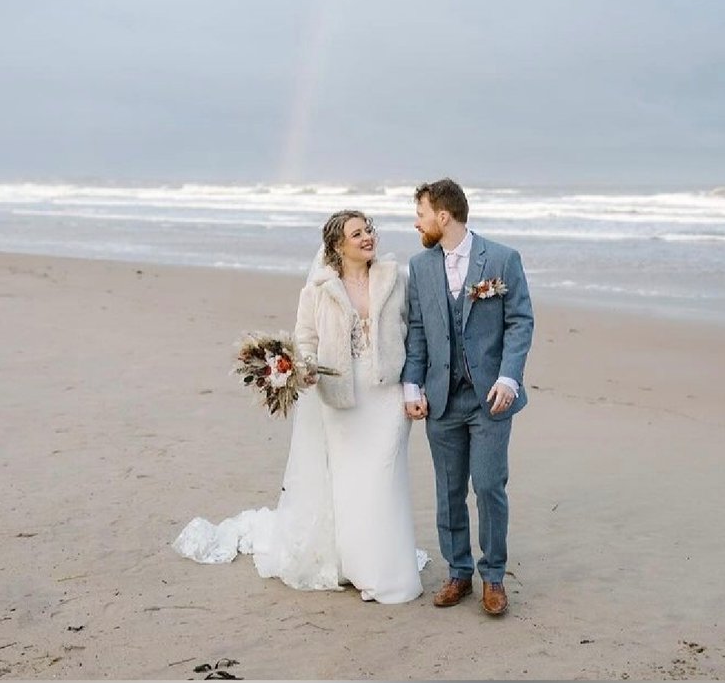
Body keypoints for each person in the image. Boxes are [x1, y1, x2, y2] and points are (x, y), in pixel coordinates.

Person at [174, 210, 425, 605]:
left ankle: (390, 575)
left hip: (387, 397)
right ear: (337, 246)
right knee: (351, 487)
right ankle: (357, 568)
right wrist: (303, 370)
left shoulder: (397, 278)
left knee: (384, 480)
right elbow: (305, 340)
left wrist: (413, 387)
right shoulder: (318, 290)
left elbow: (416, 333)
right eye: (356, 234)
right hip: (342, 402)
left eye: (369, 230)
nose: (367, 238)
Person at [402, 179, 534, 616]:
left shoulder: (501, 258)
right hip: (441, 399)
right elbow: (418, 331)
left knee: (490, 486)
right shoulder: (420, 267)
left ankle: (492, 577)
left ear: (443, 216)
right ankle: (458, 572)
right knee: (448, 489)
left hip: (490, 399)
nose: (416, 221)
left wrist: (509, 378)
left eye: (420, 213)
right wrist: (412, 385)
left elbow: (520, 322)